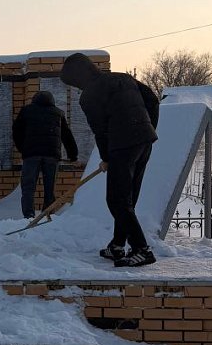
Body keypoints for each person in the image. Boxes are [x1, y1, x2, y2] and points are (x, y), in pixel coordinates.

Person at [59, 53, 159, 267]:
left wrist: (106, 158)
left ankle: (142, 249)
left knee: (117, 200)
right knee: (127, 199)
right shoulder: (123, 78)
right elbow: (152, 100)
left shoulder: (89, 96)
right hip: (144, 141)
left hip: (122, 146)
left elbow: (101, 131)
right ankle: (117, 245)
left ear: (79, 77)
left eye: (74, 83)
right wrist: (147, 128)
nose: (77, 88)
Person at [12, 90, 78, 219]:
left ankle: (29, 215)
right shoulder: (58, 113)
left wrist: (23, 149)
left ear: (34, 100)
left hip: (31, 155)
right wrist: (73, 156)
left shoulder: (26, 111)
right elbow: (67, 135)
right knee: (49, 186)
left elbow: (16, 131)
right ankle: (48, 213)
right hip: (51, 156)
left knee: (28, 186)